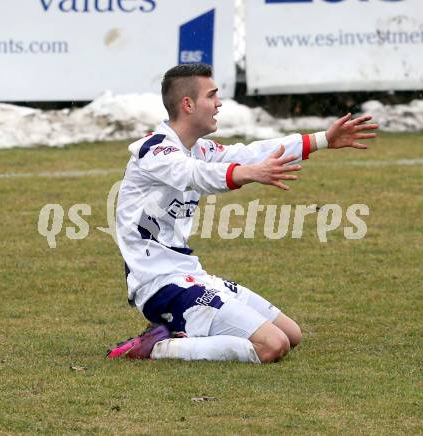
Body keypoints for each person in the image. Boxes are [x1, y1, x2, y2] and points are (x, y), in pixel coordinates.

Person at [107, 63, 378, 364]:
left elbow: (249, 153)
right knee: (272, 346)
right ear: (188, 104)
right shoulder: (154, 151)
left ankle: (184, 330)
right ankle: (157, 347)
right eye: (211, 96)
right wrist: (250, 174)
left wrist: (322, 140)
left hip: (190, 275)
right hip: (159, 285)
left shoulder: (198, 149)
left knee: (291, 333)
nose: (219, 103)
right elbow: (196, 175)